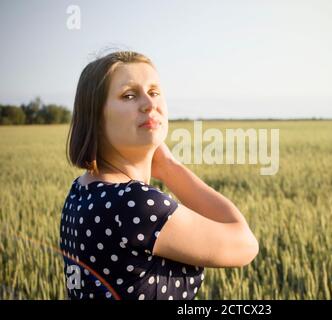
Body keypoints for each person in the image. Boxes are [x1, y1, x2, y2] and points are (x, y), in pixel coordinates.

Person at [60, 51, 259, 300]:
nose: (149, 103)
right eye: (129, 95)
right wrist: (169, 167)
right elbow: (245, 245)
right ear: (96, 117)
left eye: (154, 92)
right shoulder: (137, 204)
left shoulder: (80, 191)